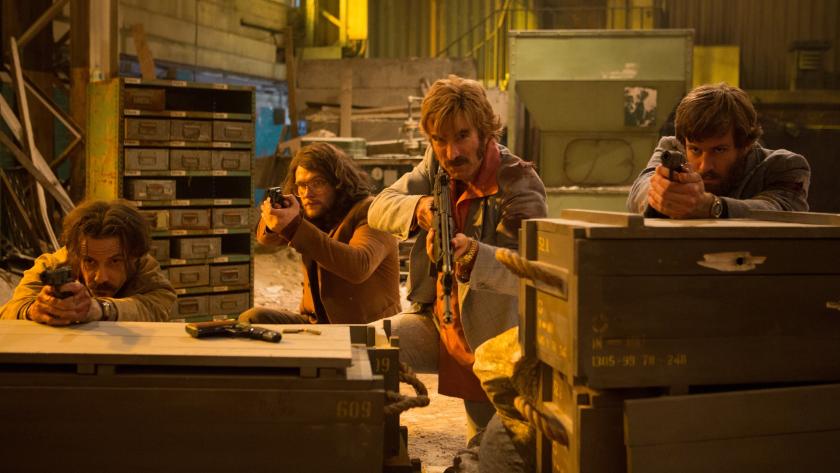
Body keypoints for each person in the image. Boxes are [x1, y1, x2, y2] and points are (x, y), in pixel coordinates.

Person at [367, 75, 548, 441]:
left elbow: (528, 271)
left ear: (485, 132)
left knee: (486, 449)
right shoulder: (436, 164)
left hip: (494, 340)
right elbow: (379, 207)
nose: (451, 153)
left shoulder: (518, 183)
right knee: (365, 347)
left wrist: (473, 256)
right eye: (440, 139)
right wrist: (419, 207)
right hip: (437, 323)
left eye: (462, 136)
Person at [240, 142, 401, 325]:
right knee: (252, 318)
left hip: (364, 328)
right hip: (317, 323)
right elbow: (266, 239)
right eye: (301, 185)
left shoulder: (371, 210)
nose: (307, 193)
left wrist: (293, 226)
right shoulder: (315, 210)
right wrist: (276, 216)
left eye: (318, 183)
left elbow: (359, 266)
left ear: (339, 183)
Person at [627, 83, 810, 219]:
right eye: (695, 149)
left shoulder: (784, 166)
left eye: (719, 150)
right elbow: (638, 193)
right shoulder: (673, 149)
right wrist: (659, 194)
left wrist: (712, 207)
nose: (705, 166)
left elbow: (782, 212)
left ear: (745, 146)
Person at [0, 200, 176, 324]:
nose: (101, 278)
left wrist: (101, 309)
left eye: (114, 261)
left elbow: (159, 306)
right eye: (90, 261)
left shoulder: (142, 265)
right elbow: (10, 310)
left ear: (133, 256)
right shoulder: (52, 265)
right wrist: (35, 310)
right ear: (76, 254)